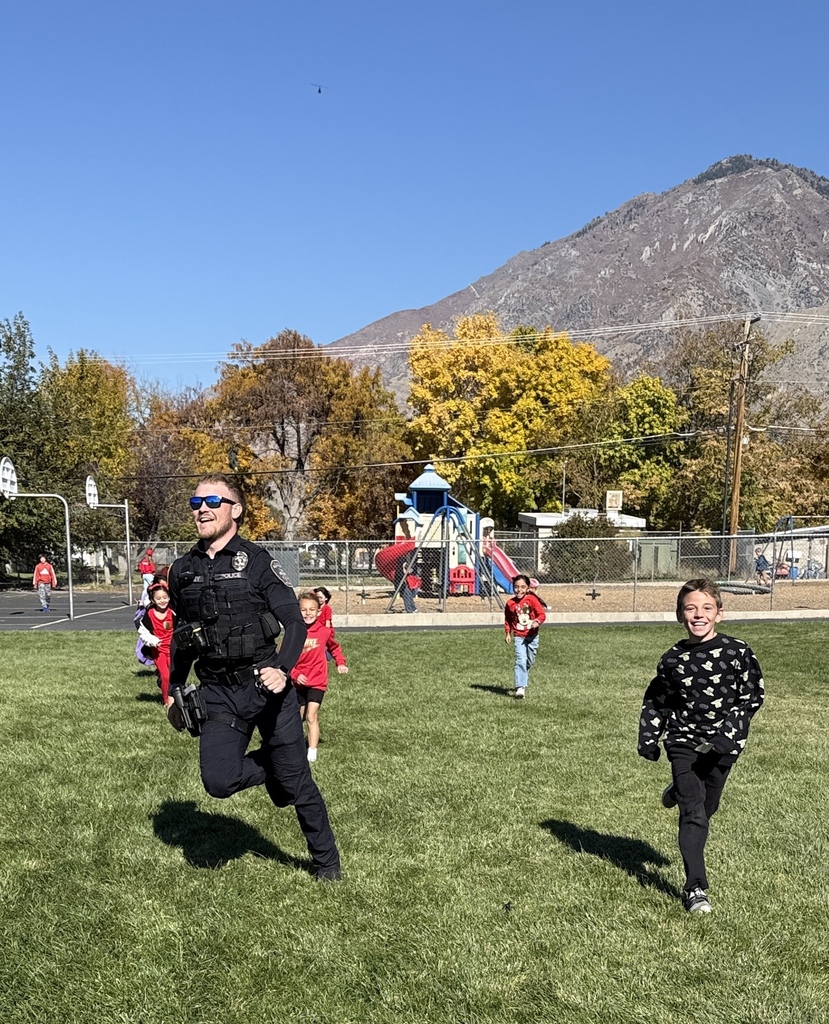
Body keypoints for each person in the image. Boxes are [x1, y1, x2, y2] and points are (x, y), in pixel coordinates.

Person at [166, 474, 341, 881]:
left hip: (265, 688)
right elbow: (181, 640)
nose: (202, 509)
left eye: (213, 501)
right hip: (217, 693)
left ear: (236, 510)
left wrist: (282, 670)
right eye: (196, 503)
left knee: (298, 786)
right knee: (218, 781)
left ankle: (326, 864)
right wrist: (174, 692)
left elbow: (294, 623)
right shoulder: (182, 570)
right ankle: (276, 766)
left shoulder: (257, 561)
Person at [638, 578, 764, 914]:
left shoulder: (737, 651)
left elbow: (752, 695)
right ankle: (696, 888)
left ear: (719, 614)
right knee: (693, 813)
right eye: (690, 608)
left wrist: (728, 735)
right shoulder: (672, 660)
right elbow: (657, 699)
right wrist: (648, 738)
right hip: (683, 741)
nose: (698, 614)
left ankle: (679, 791)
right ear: (680, 615)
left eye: (706, 608)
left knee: (708, 808)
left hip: (723, 744)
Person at [292, 590, 348, 763]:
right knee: (298, 717)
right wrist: (295, 674)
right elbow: (284, 658)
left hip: (317, 681)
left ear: (318, 612)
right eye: (303, 610)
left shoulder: (324, 632)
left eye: (311, 609)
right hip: (299, 682)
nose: (308, 613)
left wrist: (340, 662)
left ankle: (312, 750)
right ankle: (294, 746)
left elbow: (334, 647)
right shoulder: (294, 632)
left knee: (311, 715)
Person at [504, 574, 546, 699]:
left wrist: (536, 622)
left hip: (532, 636)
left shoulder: (532, 600)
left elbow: (542, 615)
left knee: (529, 660)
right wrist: (508, 633)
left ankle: (523, 675)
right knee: (520, 660)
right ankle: (520, 688)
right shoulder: (510, 603)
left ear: (527, 588)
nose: (519, 590)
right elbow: (508, 620)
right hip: (519, 636)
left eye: (522, 587)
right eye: (516, 587)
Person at [137, 579, 176, 704]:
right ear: (153, 600)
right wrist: (152, 640)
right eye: (158, 598)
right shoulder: (150, 614)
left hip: (174, 649)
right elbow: (143, 631)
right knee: (165, 676)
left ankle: (176, 697)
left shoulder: (173, 613)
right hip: (158, 651)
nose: (162, 601)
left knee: (175, 675)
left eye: (165, 597)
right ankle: (166, 702)